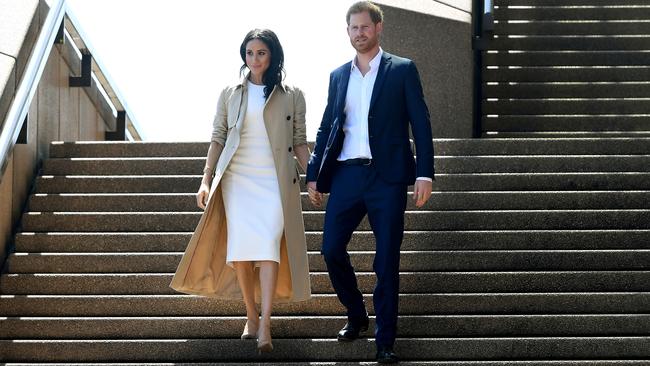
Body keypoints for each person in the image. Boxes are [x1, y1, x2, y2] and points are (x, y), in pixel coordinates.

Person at [306, 1, 434, 363]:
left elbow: (420, 123)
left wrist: (424, 172)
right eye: (353, 28)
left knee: (386, 259)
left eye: (365, 27)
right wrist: (314, 172)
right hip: (347, 174)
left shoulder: (403, 70)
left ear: (378, 28)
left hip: (388, 177)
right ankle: (357, 315)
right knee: (330, 249)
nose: (359, 33)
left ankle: (385, 342)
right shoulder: (338, 76)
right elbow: (327, 125)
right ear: (347, 32)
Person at [170, 28, 312, 354]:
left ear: (272, 55)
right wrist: (206, 179)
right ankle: (251, 312)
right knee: (242, 252)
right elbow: (218, 137)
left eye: (261, 52)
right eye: (249, 53)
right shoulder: (230, 93)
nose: (254, 59)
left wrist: (316, 177)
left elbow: (299, 143)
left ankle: (266, 324)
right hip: (237, 178)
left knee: (267, 247)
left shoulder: (292, 95)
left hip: (274, 180)